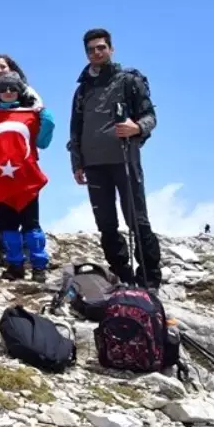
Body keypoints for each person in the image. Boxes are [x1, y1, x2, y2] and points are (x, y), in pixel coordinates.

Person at [68, 28, 160, 288]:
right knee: (106, 222)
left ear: (111, 48)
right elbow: (75, 128)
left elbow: (150, 116)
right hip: (94, 164)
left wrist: (137, 127)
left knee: (136, 219)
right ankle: (121, 273)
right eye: (91, 49)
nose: (96, 52)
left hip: (124, 158)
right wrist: (77, 163)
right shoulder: (83, 89)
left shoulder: (129, 80)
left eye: (101, 47)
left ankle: (150, 277)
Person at [0, 72, 54, 281]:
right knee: (8, 225)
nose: (8, 92)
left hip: (26, 179)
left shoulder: (30, 114)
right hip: (1, 180)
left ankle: (38, 266)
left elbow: (42, 142)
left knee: (31, 224)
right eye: (3, 89)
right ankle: (15, 265)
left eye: (12, 88)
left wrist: (47, 121)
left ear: (20, 91)